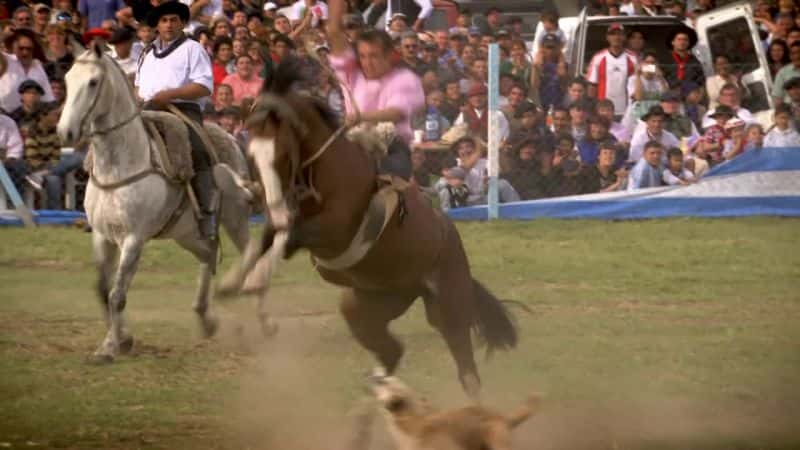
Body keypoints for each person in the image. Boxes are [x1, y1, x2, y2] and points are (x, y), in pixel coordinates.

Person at [135, 1, 217, 240]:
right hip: (147, 109)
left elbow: (203, 86)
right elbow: (138, 87)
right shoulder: (146, 52)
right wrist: (138, 102)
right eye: (163, 20)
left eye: (173, 20)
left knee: (198, 150)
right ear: (157, 25)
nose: (168, 25)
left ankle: (207, 213)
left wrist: (170, 95)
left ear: (182, 23)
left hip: (181, 110)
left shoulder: (193, 48)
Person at [327, 0, 425, 180]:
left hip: (391, 147)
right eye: (363, 56)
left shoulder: (405, 78)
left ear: (389, 54)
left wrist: (360, 117)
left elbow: (396, 113)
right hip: (353, 144)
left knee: (391, 183)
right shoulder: (352, 74)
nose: (367, 62)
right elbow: (333, 33)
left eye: (374, 56)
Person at [587, 23, 638, 117]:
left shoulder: (633, 58)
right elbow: (592, 85)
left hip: (626, 111)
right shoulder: (598, 57)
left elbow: (638, 84)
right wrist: (592, 108)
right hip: (603, 111)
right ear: (607, 37)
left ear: (624, 37)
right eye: (613, 34)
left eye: (620, 34)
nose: (616, 37)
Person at [1, 28, 55, 114]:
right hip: (5, 116)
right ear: (13, 47)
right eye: (21, 48)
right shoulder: (7, 60)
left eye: (29, 49)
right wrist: (3, 37)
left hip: (31, 119)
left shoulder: (38, 66)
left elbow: (48, 97)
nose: (25, 52)